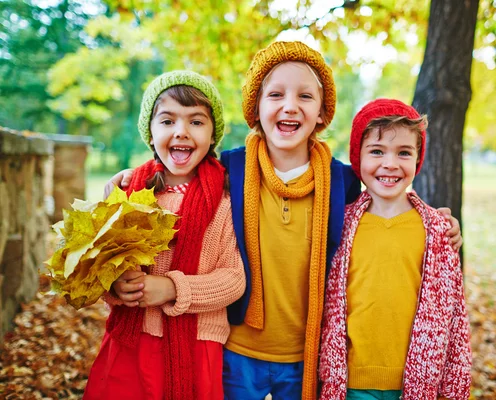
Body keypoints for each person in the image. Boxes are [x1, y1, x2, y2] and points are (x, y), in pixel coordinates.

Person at [106, 41, 463, 400]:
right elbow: (176, 168)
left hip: (306, 352)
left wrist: (437, 221)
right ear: (256, 108)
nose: (289, 106)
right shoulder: (230, 168)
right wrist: (130, 177)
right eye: (275, 95)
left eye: (304, 97)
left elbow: (386, 195)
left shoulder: (342, 181)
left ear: (322, 112)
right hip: (237, 348)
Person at [84, 70, 246, 400]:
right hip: (131, 340)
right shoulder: (129, 192)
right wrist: (117, 286)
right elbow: (100, 263)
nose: (181, 132)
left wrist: (172, 288)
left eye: (196, 122)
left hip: (197, 343)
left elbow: (233, 279)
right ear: (150, 130)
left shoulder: (225, 201)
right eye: (168, 121)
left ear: (213, 134)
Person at [318, 99, 472, 400]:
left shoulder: (437, 231)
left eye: (403, 153)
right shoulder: (340, 224)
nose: (390, 164)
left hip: (416, 383)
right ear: (357, 158)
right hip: (349, 383)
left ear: (417, 160)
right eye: (377, 151)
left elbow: (455, 318)